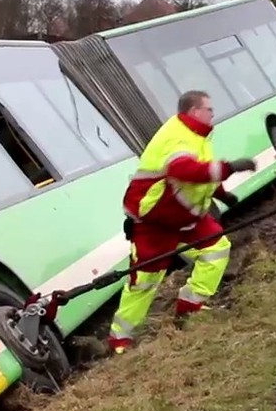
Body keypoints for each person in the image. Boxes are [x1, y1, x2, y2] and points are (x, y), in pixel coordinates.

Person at [108, 90, 258, 354]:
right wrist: (229, 168)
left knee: (217, 248)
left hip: (186, 218)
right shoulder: (177, 137)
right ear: (194, 111)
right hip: (155, 222)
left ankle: (191, 305)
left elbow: (199, 172)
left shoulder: (197, 135)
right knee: (144, 281)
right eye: (208, 109)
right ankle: (120, 338)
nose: (213, 113)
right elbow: (183, 170)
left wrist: (222, 193)